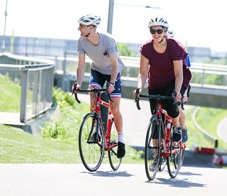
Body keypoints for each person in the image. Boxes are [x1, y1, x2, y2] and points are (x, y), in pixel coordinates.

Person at [74, 14, 126, 158]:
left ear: (90, 28)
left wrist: (111, 83)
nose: (78, 29)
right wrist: (78, 83)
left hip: (113, 72)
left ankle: (121, 139)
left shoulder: (107, 40)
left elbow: (115, 65)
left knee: (114, 108)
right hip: (97, 70)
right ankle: (96, 129)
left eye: (81, 26)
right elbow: (81, 65)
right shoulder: (81, 41)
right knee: (93, 93)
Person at [134, 17, 187, 143]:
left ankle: (177, 127)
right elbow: (142, 73)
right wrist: (139, 87)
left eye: (159, 31)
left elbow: (179, 73)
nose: (156, 34)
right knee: (156, 119)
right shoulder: (146, 48)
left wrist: (177, 91)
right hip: (156, 83)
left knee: (170, 104)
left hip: (173, 81)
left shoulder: (174, 46)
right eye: (153, 31)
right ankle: (156, 159)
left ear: (165, 31)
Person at [167, 29, 192, 143]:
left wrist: (185, 93)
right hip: (166, 82)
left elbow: (187, 72)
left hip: (181, 82)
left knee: (178, 107)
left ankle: (182, 128)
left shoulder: (180, 51)